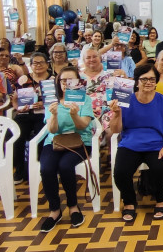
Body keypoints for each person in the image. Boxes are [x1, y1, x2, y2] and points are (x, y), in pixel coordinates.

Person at [109, 64, 163, 222]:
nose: (148, 82)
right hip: (130, 144)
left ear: (156, 81)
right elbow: (115, 130)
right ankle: (129, 201)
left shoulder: (162, 100)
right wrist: (117, 113)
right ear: (136, 81)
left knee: (160, 168)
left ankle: (161, 198)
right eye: (144, 79)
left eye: (152, 79)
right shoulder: (125, 98)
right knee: (120, 172)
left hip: (155, 144)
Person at [37, 66, 95, 232]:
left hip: (80, 141)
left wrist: (74, 114)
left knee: (65, 166)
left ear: (78, 82)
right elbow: (52, 130)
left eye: (71, 81)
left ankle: (73, 206)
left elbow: (83, 125)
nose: (66, 84)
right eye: (63, 80)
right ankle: (54, 210)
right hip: (55, 141)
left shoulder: (84, 99)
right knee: (47, 168)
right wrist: (54, 115)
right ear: (58, 82)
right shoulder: (52, 100)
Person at [11, 52, 50, 183]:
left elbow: (58, 99)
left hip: (43, 114)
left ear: (47, 64)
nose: (38, 65)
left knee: (40, 135)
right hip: (25, 114)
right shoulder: (23, 79)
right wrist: (18, 108)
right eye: (35, 63)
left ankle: (36, 167)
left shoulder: (52, 79)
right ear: (31, 65)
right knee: (17, 136)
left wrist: (44, 104)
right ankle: (20, 170)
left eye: (41, 62)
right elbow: (15, 100)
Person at [80, 47, 116, 144]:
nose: (92, 59)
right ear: (83, 60)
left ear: (100, 57)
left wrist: (123, 76)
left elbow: (121, 94)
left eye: (95, 56)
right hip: (86, 111)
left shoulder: (111, 73)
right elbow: (75, 99)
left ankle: (109, 155)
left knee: (112, 126)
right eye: (88, 57)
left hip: (108, 109)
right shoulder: (78, 76)